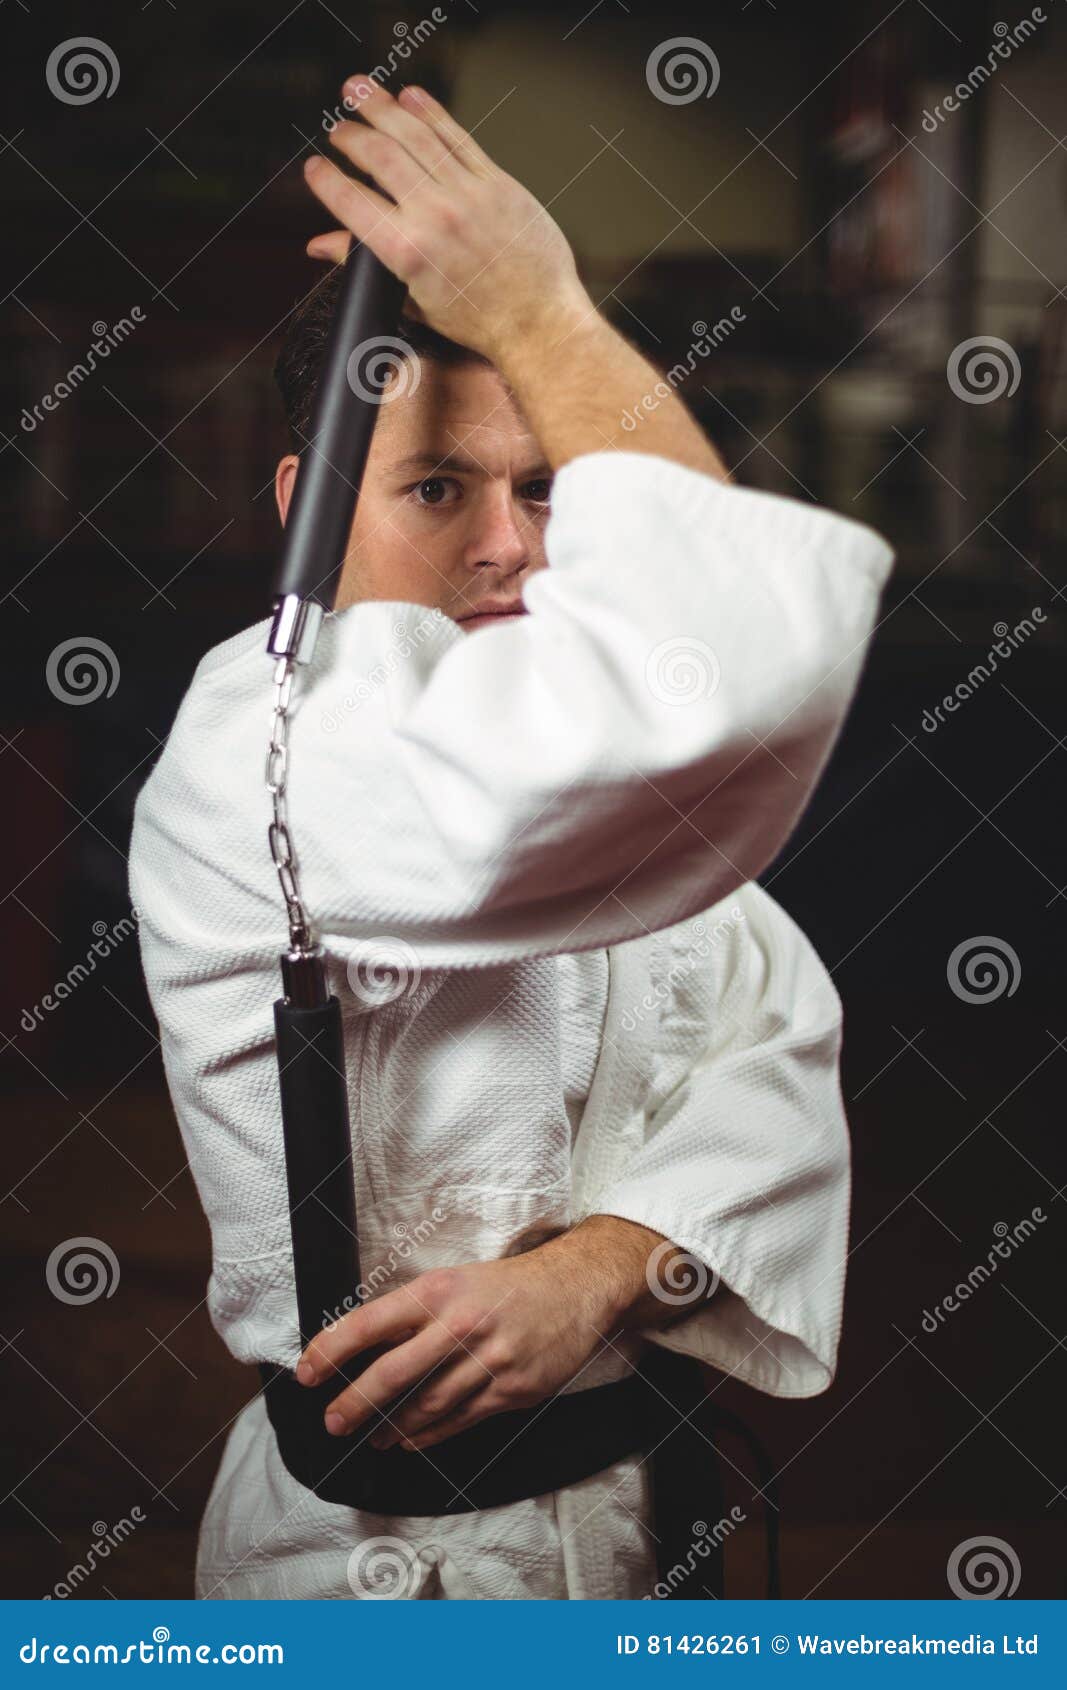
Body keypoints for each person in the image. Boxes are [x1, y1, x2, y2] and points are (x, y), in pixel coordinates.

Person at [127, 75, 894, 1600]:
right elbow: (718, 670)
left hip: (639, 1522)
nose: (512, 545)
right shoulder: (261, 747)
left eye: (547, 486)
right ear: (306, 510)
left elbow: (776, 1043)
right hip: (371, 1566)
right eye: (436, 486)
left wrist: (599, 1268)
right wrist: (542, 317)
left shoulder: (605, 791)